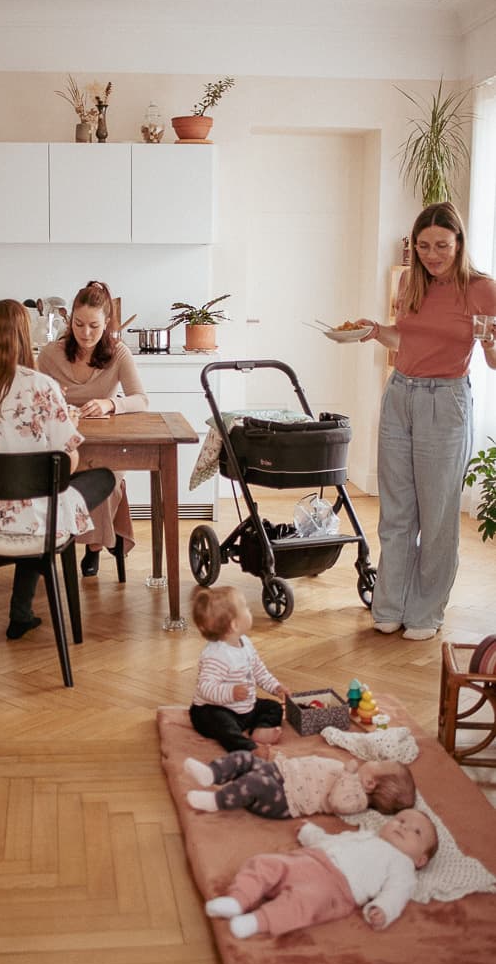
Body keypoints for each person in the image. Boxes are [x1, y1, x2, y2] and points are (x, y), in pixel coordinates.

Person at [0, 299, 115, 640]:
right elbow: (66, 464)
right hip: (34, 525)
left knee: (39, 494)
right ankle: (21, 606)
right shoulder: (40, 387)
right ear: (22, 334)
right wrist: (68, 423)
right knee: (97, 478)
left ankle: (22, 609)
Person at [358, 202, 496, 641]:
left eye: (441, 245)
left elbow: (492, 359)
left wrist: (492, 341)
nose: (431, 254)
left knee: (437, 515)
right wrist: (378, 331)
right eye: (423, 246)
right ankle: (390, 604)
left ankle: (425, 611)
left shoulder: (482, 288)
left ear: (458, 243)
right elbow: (409, 339)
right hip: (401, 393)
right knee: (396, 510)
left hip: (446, 399)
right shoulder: (411, 283)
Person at [37, 280, 148, 577]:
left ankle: (93, 547)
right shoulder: (50, 354)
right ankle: (59, 545)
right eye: (79, 324)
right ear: (69, 319)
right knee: (54, 476)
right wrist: (51, 397)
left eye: (94, 326)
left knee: (108, 479)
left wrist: (110, 405)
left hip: (107, 444)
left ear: (107, 323)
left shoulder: (119, 353)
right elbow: (34, 403)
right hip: (64, 443)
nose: (86, 334)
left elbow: (141, 399)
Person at [205, 807, 438, 939]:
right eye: (401, 820)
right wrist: (309, 832)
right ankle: (237, 899)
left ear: (421, 860)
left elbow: (397, 892)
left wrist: (384, 909)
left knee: (304, 903)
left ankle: (257, 921)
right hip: (310, 859)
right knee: (265, 863)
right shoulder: (368, 835)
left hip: (337, 888)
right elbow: (330, 841)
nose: (404, 827)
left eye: (416, 832)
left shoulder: (403, 866)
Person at [189, 585, 290, 754]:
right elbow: (205, 687)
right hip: (214, 709)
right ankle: (247, 748)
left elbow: (259, 670)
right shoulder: (216, 655)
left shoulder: (245, 643)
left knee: (273, 707)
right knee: (222, 724)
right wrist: (231, 692)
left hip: (244, 707)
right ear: (235, 624)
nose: (249, 609)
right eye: (245, 607)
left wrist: (275, 687)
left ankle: (260, 730)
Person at [184, 750, 415, 818]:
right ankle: (211, 774)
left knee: (255, 783)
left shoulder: (358, 799)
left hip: (284, 799)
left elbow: (336, 802)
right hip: (282, 772)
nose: (371, 760)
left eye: (377, 762)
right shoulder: (354, 776)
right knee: (243, 758)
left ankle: (216, 801)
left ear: (371, 783)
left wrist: (347, 774)